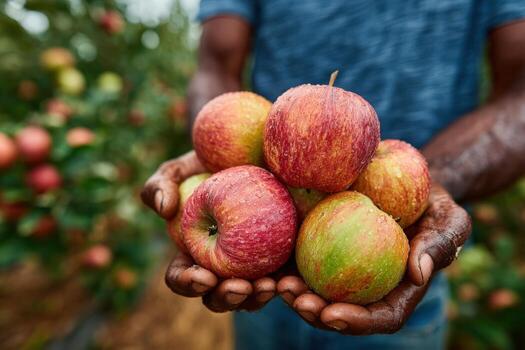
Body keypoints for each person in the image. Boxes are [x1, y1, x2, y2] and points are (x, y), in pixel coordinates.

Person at [141, 1, 525, 349]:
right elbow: (215, 64)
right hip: (256, 261)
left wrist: (429, 184)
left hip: (396, 262)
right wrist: (215, 155)